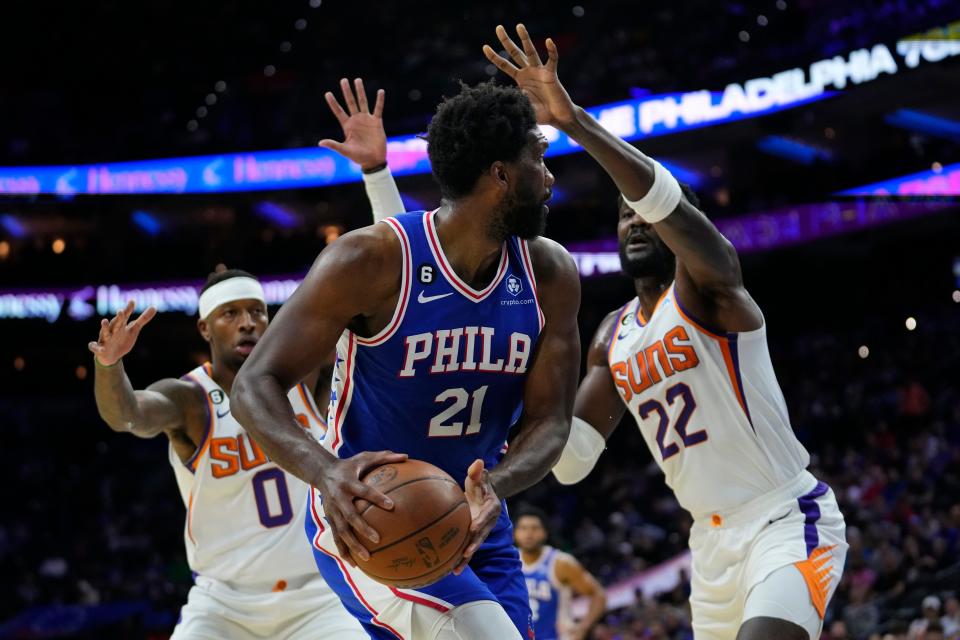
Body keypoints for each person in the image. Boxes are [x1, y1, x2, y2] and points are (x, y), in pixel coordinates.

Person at [230, 23, 659, 640]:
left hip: (478, 523)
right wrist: (326, 472)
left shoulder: (550, 274)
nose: (552, 177)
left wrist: (494, 488)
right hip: (372, 518)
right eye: (539, 158)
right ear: (501, 176)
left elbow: (550, 423)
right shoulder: (370, 261)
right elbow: (254, 384)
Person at [541, 62, 848, 640]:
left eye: (645, 215)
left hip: (782, 519)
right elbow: (572, 462)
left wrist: (575, 124)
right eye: (623, 217)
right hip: (708, 546)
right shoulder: (612, 334)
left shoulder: (708, 286)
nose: (634, 222)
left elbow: (662, 202)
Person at [87, 78, 402, 640]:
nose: (250, 321)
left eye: (256, 311)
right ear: (205, 327)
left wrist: (376, 174)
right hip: (223, 605)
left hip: (323, 592)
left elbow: (390, 282)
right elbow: (128, 415)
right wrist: (110, 367)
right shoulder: (190, 398)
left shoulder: (305, 372)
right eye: (232, 313)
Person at [514, 507, 606, 640]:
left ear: (545, 533)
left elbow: (599, 595)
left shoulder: (561, 563)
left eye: (534, 528)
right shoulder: (509, 562)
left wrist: (582, 628)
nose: (529, 533)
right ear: (514, 533)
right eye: (523, 528)